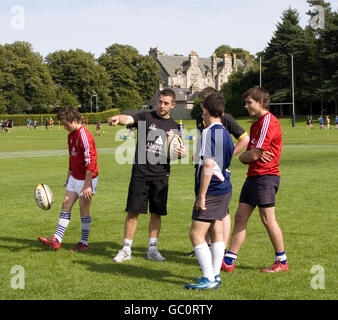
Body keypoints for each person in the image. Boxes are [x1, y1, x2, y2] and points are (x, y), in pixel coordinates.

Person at [108, 88, 187, 263]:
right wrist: (117, 118)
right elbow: (128, 118)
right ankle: (126, 248)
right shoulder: (145, 117)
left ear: (173, 105)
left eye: (166, 103)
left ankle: (152, 249)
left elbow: (177, 151)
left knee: (156, 213)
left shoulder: (174, 127)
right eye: (160, 102)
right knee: (133, 211)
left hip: (161, 175)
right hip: (141, 173)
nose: (162, 105)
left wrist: (182, 154)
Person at [222, 86, 288, 273]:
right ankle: (228, 261)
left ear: (260, 102)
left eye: (249, 102)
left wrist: (246, 156)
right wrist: (250, 155)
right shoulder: (255, 124)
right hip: (253, 176)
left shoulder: (268, 122)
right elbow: (252, 154)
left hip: (265, 177)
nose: (245, 106)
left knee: (268, 220)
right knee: (240, 217)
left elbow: (253, 155)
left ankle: (281, 261)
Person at [185, 86, 249, 264]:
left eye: (202, 104)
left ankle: (212, 267)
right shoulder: (203, 121)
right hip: (211, 173)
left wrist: (225, 158)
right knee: (212, 219)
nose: (200, 108)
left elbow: (244, 138)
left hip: (215, 177)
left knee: (215, 218)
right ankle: (210, 256)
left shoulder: (222, 120)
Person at [185, 94, 234, 290]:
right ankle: (215, 275)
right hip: (224, 186)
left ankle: (208, 278)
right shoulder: (225, 131)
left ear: (205, 109)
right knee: (217, 232)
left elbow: (207, 165)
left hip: (212, 188)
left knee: (196, 234)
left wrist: (202, 195)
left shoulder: (207, 132)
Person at [38, 106, 99, 252]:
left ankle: (84, 242)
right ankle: (57, 240)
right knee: (66, 203)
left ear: (75, 120)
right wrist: (69, 174)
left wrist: (86, 185)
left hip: (87, 179)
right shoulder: (70, 135)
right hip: (74, 177)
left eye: (66, 124)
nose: (64, 127)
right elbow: (72, 157)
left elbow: (91, 162)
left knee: (83, 209)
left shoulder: (84, 135)